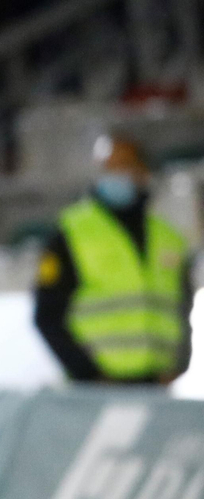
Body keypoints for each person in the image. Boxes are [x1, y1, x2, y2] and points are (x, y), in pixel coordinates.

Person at [35, 135, 193, 383]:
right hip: (96, 387)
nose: (116, 175)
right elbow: (48, 315)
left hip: (158, 384)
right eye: (109, 167)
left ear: (143, 171)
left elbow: (183, 310)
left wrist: (179, 365)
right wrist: (88, 374)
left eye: (125, 165)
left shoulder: (169, 238)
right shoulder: (71, 233)